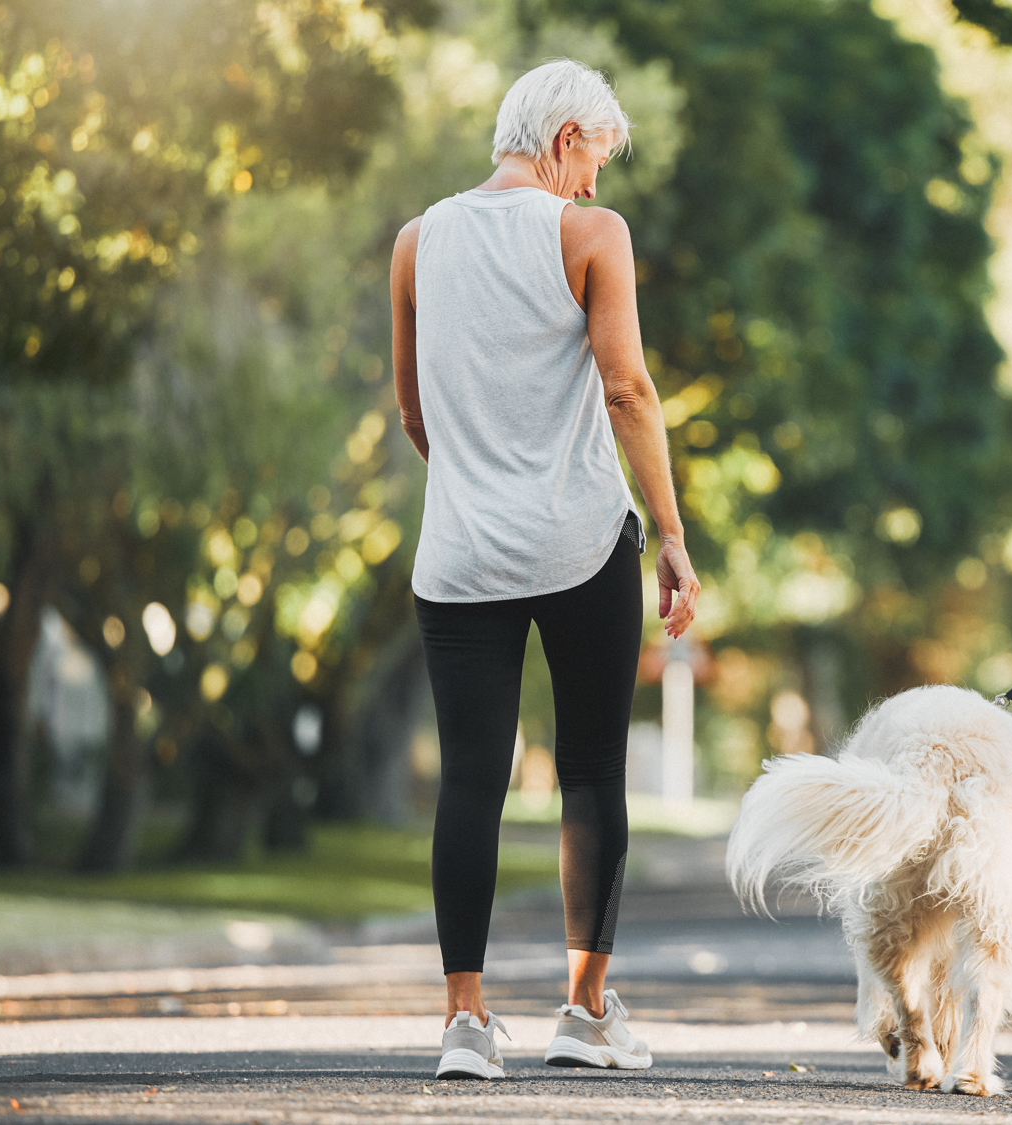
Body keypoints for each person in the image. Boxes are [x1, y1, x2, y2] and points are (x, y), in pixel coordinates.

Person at [389, 58, 701, 1080]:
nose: (596, 186)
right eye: (595, 159)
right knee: (589, 771)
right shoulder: (587, 236)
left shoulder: (416, 242)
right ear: (565, 136)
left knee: (470, 779)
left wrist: (482, 486)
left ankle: (464, 1024)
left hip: (459, 553)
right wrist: (671, 534)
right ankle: (583, 1008)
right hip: (576, 543)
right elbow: (628, 391)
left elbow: (414, 416)